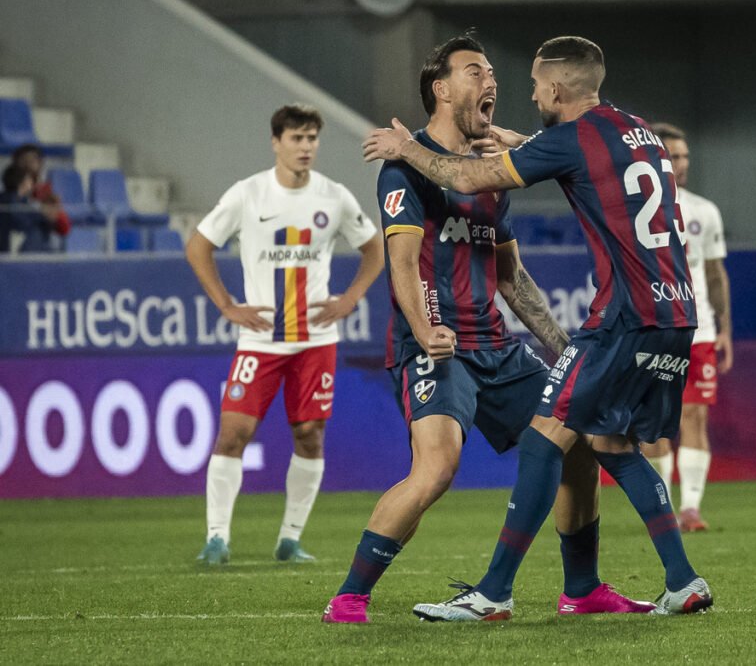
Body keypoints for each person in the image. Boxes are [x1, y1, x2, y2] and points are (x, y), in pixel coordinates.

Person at [363, 35, 713, 619]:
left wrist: (406, 148)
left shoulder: (569, 139)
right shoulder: (638, 130)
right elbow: (584, 161)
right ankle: (680, 580)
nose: (525, 92)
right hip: (676, 313)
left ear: (554, 88)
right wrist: (526, 144)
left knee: (542, 437)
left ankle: (494, 593)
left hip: (623, 314)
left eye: (531, 83)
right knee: (609, 441)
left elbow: (468, 180)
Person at [186, 104, 384, 565]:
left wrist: (349, 298)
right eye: (297, 138)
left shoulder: (333, 197)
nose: (306, 147)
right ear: (276, 142)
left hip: (316, 339)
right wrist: (226, 305)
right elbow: (198, 246)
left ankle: (290, 539)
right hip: (261, 340)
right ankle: (217, 538)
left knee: (311, 434)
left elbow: (374, 248)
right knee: (234, 431)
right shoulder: (247, 194)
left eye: (312, 138)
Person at [641, 123, 732, 533]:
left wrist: (725, 328)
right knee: (656, 422)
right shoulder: (638, 208)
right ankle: (661, 511)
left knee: (694, 416)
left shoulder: (705, 210)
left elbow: (715, 274)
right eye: (672, 156)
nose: (680, 164)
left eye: (684, 157)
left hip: (700, 330)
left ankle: (690, 508)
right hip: (655, 328)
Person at [1, 144, 70, 252]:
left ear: (40, 163)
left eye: (33, 160)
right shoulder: (8, 194)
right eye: (24, 161)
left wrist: (52, 213)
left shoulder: (47, 194)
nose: (28, 165)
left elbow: (63, 227)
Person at [0, 165, 62, 253]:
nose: (31, 182)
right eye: (29, 179)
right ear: (21, 182)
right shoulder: (14, 202)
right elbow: (21, 222)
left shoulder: (24, 200)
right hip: (19, 249)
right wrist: (44, 215)